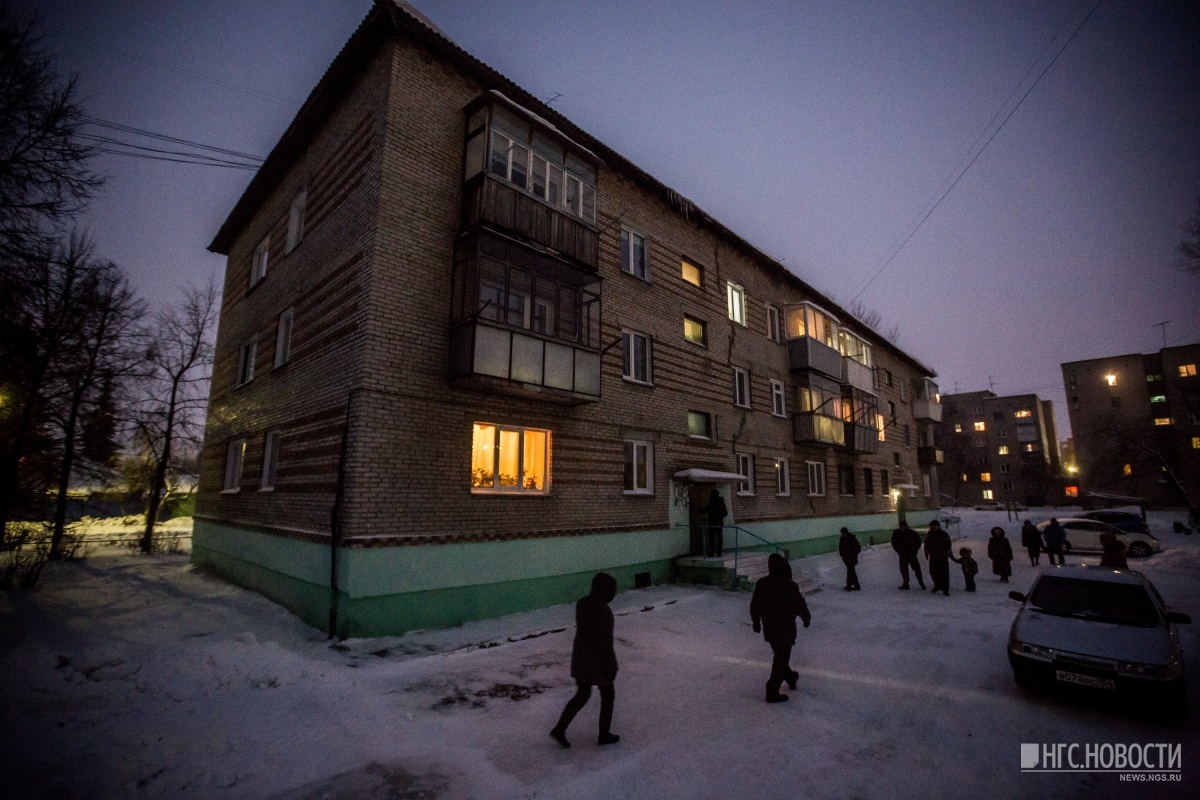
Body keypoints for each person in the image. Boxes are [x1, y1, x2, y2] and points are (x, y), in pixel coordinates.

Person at [551, 572, 620, 748]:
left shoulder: (583, 604)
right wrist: (611, 666)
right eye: (612, 591)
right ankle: (604, 734)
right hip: (597, 663)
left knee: (582, 694)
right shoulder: (603, 611)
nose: (613, 595)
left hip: (580, 658)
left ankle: (560, 728)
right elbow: (605, 643)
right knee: (608, 695)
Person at [750, 553, 811, 703]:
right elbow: (799, 604)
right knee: (781, 658)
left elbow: (755, 605)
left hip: (770, 629)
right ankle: (772, 690)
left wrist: (756, 621)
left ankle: (790, 677)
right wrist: (806, 617)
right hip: (786, 629)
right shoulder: (789, 585)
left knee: (780, 657)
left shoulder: (762, 583)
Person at [891, 520, 926, 590]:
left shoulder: (912, 533)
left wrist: (914, 550)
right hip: (903, 555)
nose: (902, 528)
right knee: (904, 570)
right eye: (901, 526)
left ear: (906, 526)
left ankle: (921, 582)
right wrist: (898, 550)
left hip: (911, 555)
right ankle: (906, 583)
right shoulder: (897, 533)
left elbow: (918, 542)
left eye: (903, 526)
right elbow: (894, 542)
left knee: (916, 568)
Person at [924, 519, 953, 596]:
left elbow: (948, 545)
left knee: (944, 573)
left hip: (942, 556)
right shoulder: (929, 534)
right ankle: (937, 585)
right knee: (933, 572)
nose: (931, 528)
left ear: (937, 526)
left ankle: (945, 589)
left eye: (933, 526)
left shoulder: (943, 534)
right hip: (933, 556)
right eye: (931, 526)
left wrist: (945, 552)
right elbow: (926, 544)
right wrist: (926, 553)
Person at [700, 489, 728, 557]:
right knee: (719, 538)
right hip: (719, 523)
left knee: (712, 538)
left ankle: (712, 553)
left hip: (712, 523)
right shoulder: (721, 503)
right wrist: (720, 517)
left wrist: (697, 509)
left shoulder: (712, 503)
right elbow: (725, 513)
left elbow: (705, 509)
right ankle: (719, 553)